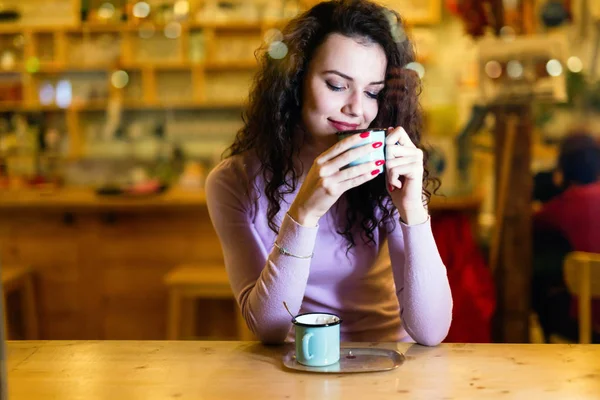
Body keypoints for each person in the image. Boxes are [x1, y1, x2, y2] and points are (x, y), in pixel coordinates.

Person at [205, 0, 452, 346]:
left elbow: (432, 330)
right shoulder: (233, 182)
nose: (357, 109)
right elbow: (269, 328)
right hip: (296, 365)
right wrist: (304, 213)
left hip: (389, 361)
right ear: (295, 81)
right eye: (337, 85)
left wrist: (413, 209)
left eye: (372, 93)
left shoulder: (382, 170)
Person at [532, 131, 600, 342]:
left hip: (589, 321)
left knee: (540, 288)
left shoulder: (563, 205)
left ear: (562, 168)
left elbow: (530, 222)